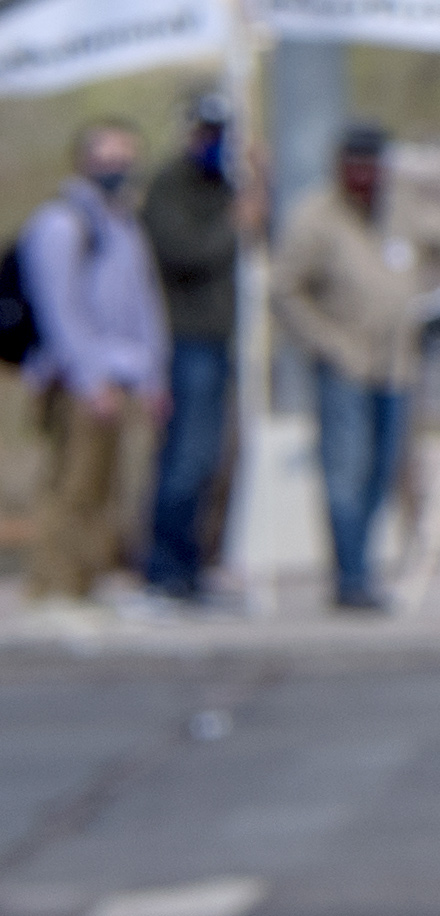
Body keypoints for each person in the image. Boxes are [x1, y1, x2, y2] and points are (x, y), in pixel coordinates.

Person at [270, 123, 429, 615]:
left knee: (381, 474)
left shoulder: (400, 209)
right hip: (345, 368)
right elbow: (283, 290)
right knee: (345, 473)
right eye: (354, 164)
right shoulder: (314, 217)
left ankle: (363, 568)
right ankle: (351, 579)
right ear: (339, 167)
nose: (363, 174)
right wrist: (326, 344)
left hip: (395, 367)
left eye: (372, 164)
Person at [17, 121, 163, 612]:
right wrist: (89, 377)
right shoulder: (61, 224)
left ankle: (87, 580)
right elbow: (62, 310)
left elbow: (143, 304)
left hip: (121, 375)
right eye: (109, 158)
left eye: (126, 157)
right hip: (76, 380)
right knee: (70, 486)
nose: (119, 169)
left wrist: (150, 375)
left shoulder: (122, 223)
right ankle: (54, 584)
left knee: (108, 487)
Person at [134, 87, 246, 606]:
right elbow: (187, 252)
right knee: (183, 458)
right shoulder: (169, 187)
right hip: (186, 341)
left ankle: (195, 565)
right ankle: (164, 568)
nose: (212, 143)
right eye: (206, 132)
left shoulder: (230, 186)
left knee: (212, 461)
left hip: (223, 341)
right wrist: (235, 225)